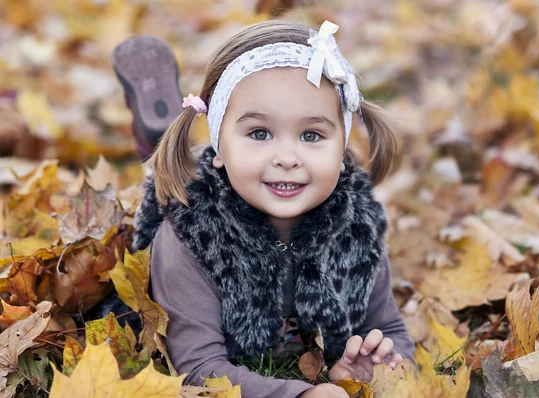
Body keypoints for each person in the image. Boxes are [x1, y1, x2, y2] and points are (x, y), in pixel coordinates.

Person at [124, 19, 415, 398]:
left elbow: (390, 331)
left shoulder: (357, 228)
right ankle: (155, 129)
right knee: (162, 165)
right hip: (197, 208)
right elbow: (196, 366)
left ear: (342, 152)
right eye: (259, 133)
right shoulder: (190, 236)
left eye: (311, 135)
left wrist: (377, 367)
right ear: (219, 149)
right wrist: (299, 394)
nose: (287, 158)